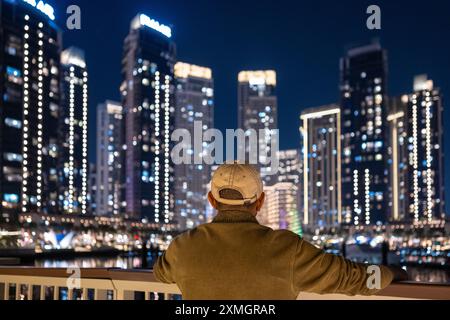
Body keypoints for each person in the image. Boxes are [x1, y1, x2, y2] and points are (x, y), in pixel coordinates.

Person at [154, 163, 407, 300]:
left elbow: (161, 273)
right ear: (260, 202)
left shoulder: (182, 246)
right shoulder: (287, 248)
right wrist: (393, 272)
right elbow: (356, 278)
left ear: (211, 199)